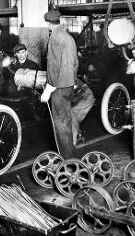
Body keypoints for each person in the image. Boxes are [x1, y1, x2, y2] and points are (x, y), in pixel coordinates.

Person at [40, 9, 79, 158]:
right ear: (59, 21)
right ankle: (71, 154)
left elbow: (54, 66)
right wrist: (72, 80)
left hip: (59, 87)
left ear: (49, 24)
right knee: (66, 120)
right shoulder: (69, 37)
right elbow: (75, 62)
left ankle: (68, 160)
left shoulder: (55, 37)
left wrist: (48, 88)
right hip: (69, 85)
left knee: (60, 123)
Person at [71, 78, 95, 145]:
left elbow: (73, 86)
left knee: (71, 113)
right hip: (80, 98)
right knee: (73, 118)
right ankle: (80, 135)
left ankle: (74, 141)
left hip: (86, 97)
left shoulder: (67, 75)